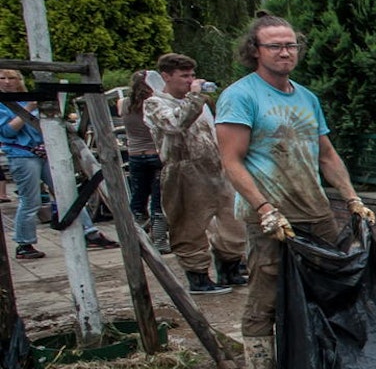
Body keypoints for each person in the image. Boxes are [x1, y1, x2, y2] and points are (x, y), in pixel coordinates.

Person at [215, 13, 374, 369]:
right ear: (255, 50)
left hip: (315, 211)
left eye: (291, 45)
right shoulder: (241, 96)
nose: (285, 52)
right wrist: (264, 208)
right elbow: (231, 161)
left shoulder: (306, 98)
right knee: (265, 302)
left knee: (334, 291)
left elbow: (326, 154)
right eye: (275, 46)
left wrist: (352, 198)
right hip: (269, 216)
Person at [146, 54, 247, 295]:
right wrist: (194, 96)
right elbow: (175, 124)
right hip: (182, 170)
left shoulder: (199, 103)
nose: (190, 80)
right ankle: (198, 277)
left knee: (234, 222)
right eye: (184, 76)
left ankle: (229, 267)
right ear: (167, 76)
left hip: (216, 168)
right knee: (189, 227)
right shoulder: (155, 103)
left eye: (192, 75)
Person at [2, 69, 119, 260]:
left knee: (68, 193)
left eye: (11, 78)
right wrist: (30, 110)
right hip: (22, 154)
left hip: (45, 152)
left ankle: (89, 232)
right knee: (31, 200)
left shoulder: (29, 99)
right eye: (3, 78)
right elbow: (8, 131)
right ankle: (24, 242)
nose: (7, 82)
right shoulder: (6, 105)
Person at [124, 70, 166, 248]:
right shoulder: (155, 104)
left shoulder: (124, 104)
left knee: (138, 197)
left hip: (135, 155)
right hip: (155, 154)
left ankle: (137, 236)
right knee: (158, 201)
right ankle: (160, 241)